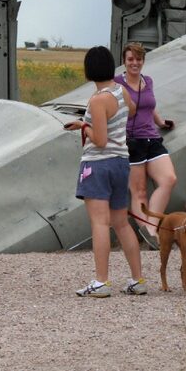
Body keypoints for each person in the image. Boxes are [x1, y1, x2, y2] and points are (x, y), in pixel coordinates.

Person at [65, 46, 147, 298]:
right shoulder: (120, 90)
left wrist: (83, 125)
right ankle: (138, 280)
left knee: (99, 223)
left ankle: (101, 282)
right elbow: (131, 110)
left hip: (98, 164)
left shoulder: (98, 100)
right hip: (121, 162)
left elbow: (99, 139)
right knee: (121, 223)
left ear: (89, 70)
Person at [114, 42, 177, 248]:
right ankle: (151, 234)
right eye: (131, 59)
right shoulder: (116, 84)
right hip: (132, 142)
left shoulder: (147, 81)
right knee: (139, 191)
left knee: (169, 179)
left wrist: (161, 123)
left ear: (143, 61)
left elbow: (150, 107)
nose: (135, 63)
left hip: (152, 138)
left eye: (139, 59)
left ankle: (151, 228)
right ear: (124, 61)